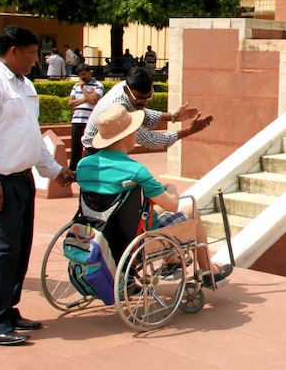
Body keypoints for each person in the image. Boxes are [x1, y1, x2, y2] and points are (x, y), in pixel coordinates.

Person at [0, 25, 74, 346]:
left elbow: (32, 134)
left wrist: (54, 170)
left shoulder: (24, 84)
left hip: (21, 180)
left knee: (18, 248)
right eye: (31, 54)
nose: (35, 60)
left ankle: (6, 310)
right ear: (13, 51)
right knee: (1, 251)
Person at [75, 105, 229, 285]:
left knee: (153, 209)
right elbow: (172, 204)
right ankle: (207, 270)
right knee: (190, 210)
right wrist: (170, 188)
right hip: (134, 239)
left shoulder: (83, 165)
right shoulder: (136, 171)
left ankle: (172, 260)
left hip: (99, 230)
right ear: (126, 136)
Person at [81, 67, 208, 155]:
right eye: (141, 98)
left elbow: (143, 114)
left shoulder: (127, 91)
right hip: (96, 153)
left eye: (149, 97)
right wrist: (188, 131)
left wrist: (174, 116)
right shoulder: (117, 108)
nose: (145, 102)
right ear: (126, 90)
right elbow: (150, 140)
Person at [67, 64, 104, 171]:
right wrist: (86, 98)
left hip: (90, 121)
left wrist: (83, 90)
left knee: (91, 146)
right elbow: (70, 102)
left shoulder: (98, 85)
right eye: (80, 75)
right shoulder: (75, 86)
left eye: (84, 74)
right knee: (76, 147)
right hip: (77, 120)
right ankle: (74, 169)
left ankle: (91, 169)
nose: (82, 77)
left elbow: (94, 101)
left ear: (89, 72)